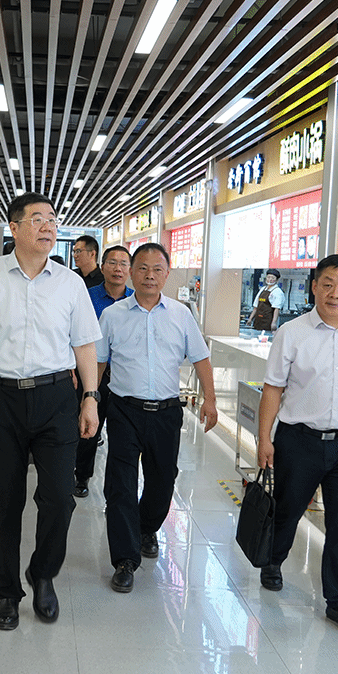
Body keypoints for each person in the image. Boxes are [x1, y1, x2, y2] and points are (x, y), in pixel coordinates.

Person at [0, 192, 100, 631]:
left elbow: (85, 344)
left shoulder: (70, 283)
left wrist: (90, 396)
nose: (48, 227)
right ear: (15, 228)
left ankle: (43, 573)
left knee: (59, 498)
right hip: (1, 399)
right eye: (38, 219)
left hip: (56, 398)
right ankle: (7, 591)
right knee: (4, 500)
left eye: (53, 219)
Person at [255, 253, 338, 636]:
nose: (335, 293)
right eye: (328, 284)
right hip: (298, 440)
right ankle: (273, 560)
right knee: (288, 509)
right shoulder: (292, 333)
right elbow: (273, 389)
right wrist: (264, 438)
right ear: (315, 286)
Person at [97, 243, 218, 593]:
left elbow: (201, 358)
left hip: (166, 412)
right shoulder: (113, 315)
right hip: (124, 409)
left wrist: (210, 400)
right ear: (132, 273)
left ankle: (147, 526)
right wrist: (89, 399)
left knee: (162, 481)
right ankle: (125, 559)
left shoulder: (181, 314)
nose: (149, 276)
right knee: (120, 483)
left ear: (166, 274)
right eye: (143, 268)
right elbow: (100, 361)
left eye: (157, 269)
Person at [74, 245, 134, 498]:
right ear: (102, 265)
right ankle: (82, 476)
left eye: (123, 263)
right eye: (112, 263)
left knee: (124, 437)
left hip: (124, 376)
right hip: (91, 373)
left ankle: (116, 490)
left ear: (130, 269)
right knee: (88, 428)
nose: (118, 268)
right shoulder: (87, 297)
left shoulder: (136, 300)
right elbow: (73, 333)